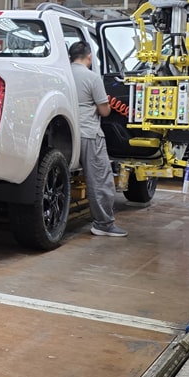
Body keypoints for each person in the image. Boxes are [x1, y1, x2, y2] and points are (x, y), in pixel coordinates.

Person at [68, 41, 127, 237]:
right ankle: (103, 224)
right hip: (89, 134)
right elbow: (105, 110)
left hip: (65, 134)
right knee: (100, 180)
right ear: (89, 56)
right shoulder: (92, 77)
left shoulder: (63, 74)